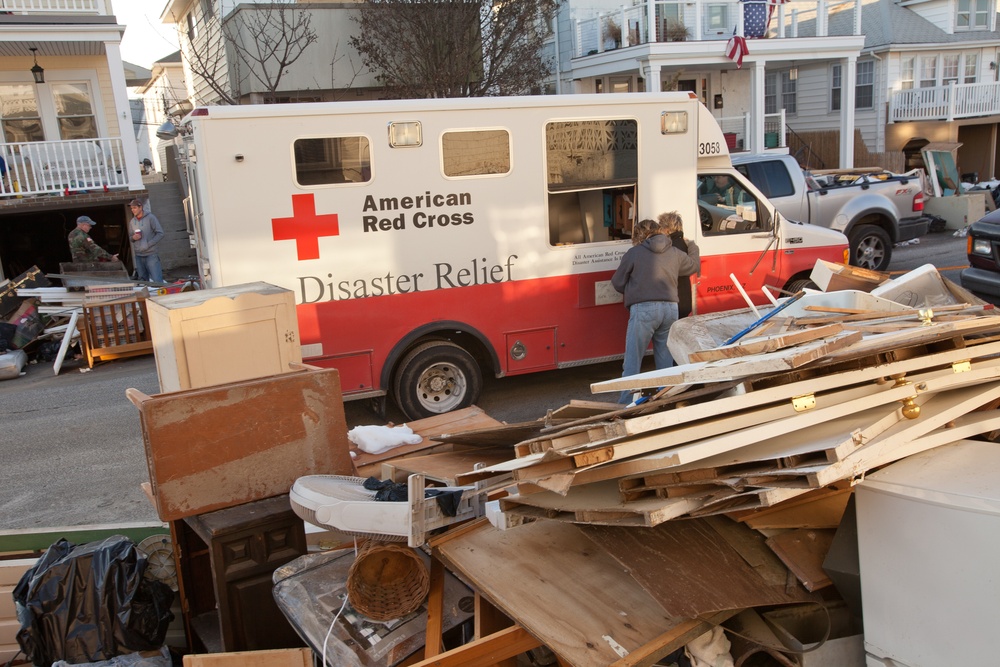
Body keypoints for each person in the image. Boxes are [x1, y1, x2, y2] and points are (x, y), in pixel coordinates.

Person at [611, 212, 700, 404]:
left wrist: (634, 287)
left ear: (640, 236)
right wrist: (693, 246)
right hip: (670, 309)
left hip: (644, 310)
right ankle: (664, 399)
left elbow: (617, 282)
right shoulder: (675, 252)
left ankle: (626, 402)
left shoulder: (634, 253)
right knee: (665, 359)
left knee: (634, 359)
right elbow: (692, 266)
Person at [128, 198, 165, 283]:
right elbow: (130, 237)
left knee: (157, 281)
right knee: (143, 282)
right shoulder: (132, 222)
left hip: (151, 255)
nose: (132, 210)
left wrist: (148, 244)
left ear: (140, 207)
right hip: (138, 256)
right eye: (131, 208)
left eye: (134, 208)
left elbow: (160, 233)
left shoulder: (151, 218)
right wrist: (133, 238)